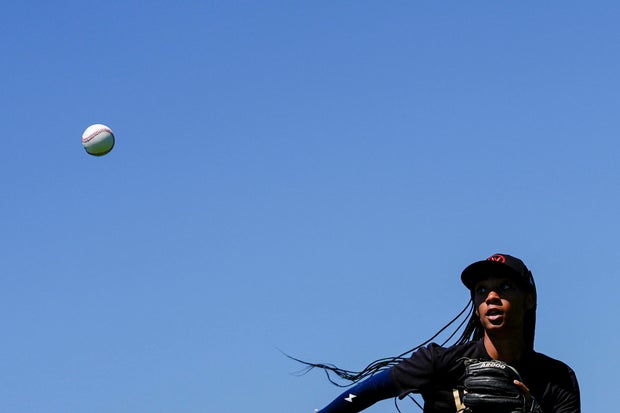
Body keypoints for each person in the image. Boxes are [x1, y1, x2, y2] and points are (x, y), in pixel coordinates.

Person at [303, 253, 580, 413]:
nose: (491, 296)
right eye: (481, 290)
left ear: (529, 300)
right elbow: (371, 389)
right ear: (475, 307)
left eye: (505, 287)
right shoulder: (441, 362)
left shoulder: (558, 379)